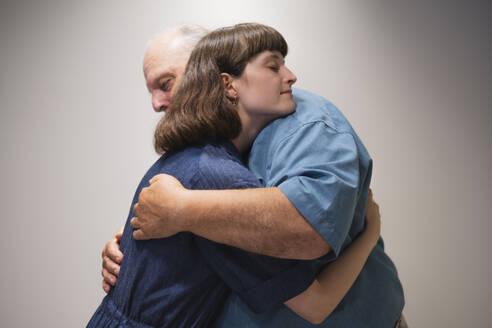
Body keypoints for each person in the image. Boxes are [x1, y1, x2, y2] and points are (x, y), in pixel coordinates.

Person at [89, 23, 385, 327]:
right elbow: (316, 304)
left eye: (166, 83)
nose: (156, 104)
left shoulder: (304, 126)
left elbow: (306, 227)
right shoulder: (212, 173)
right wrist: (371, 229)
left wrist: (179, 212)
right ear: (228, 83)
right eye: (273, 66)